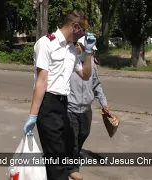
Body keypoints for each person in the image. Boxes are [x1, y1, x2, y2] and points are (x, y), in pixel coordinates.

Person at [23, 10, 97, 180]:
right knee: (56, 157)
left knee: (67, 147)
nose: (84, 34)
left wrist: (88, 52)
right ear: (75, 26)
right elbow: (41, 82)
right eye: (83, 31)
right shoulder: (46, 43)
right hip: (48, 105)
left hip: (64, 105)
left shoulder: (72, 49)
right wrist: (33, 116)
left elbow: (85, 75)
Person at [67, 36, 109, 179]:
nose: (90, 53)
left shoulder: (92, 67)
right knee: (73, 138)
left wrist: (104, 103)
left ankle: (71, 157)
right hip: (70, 108)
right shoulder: (70, 64)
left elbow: (97, 85)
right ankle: (72, 168)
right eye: (88, 50)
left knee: (83, 134)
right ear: (78, 48)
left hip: (86, 109)